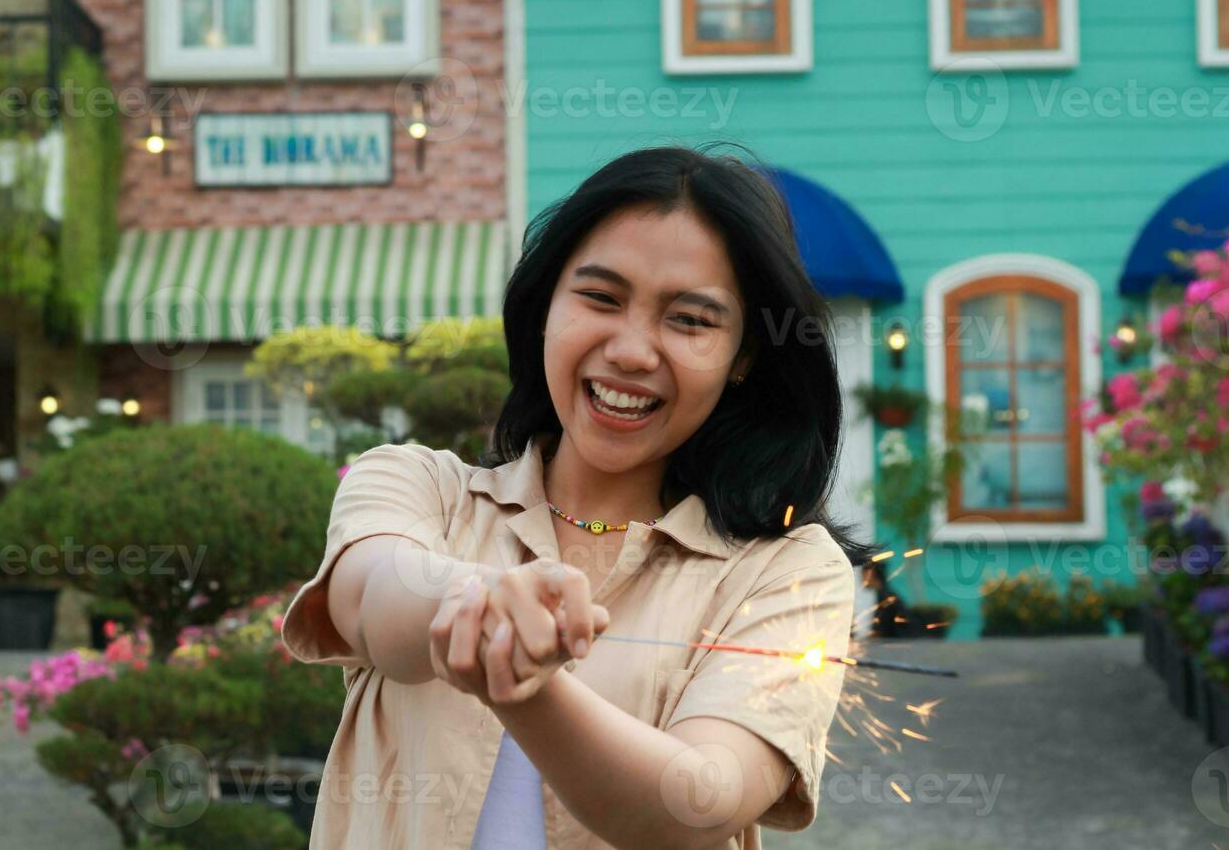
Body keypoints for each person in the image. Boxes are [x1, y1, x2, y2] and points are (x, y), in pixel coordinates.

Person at [281, 145, 882, 849]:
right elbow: (369, 596)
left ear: (745, 356)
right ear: (545, 308)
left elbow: (701, 805)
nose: (631, 350)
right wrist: (482, 598)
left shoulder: (786, 573)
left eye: (690, 320)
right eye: (600, 298)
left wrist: (528, 687)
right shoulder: (418, 487)